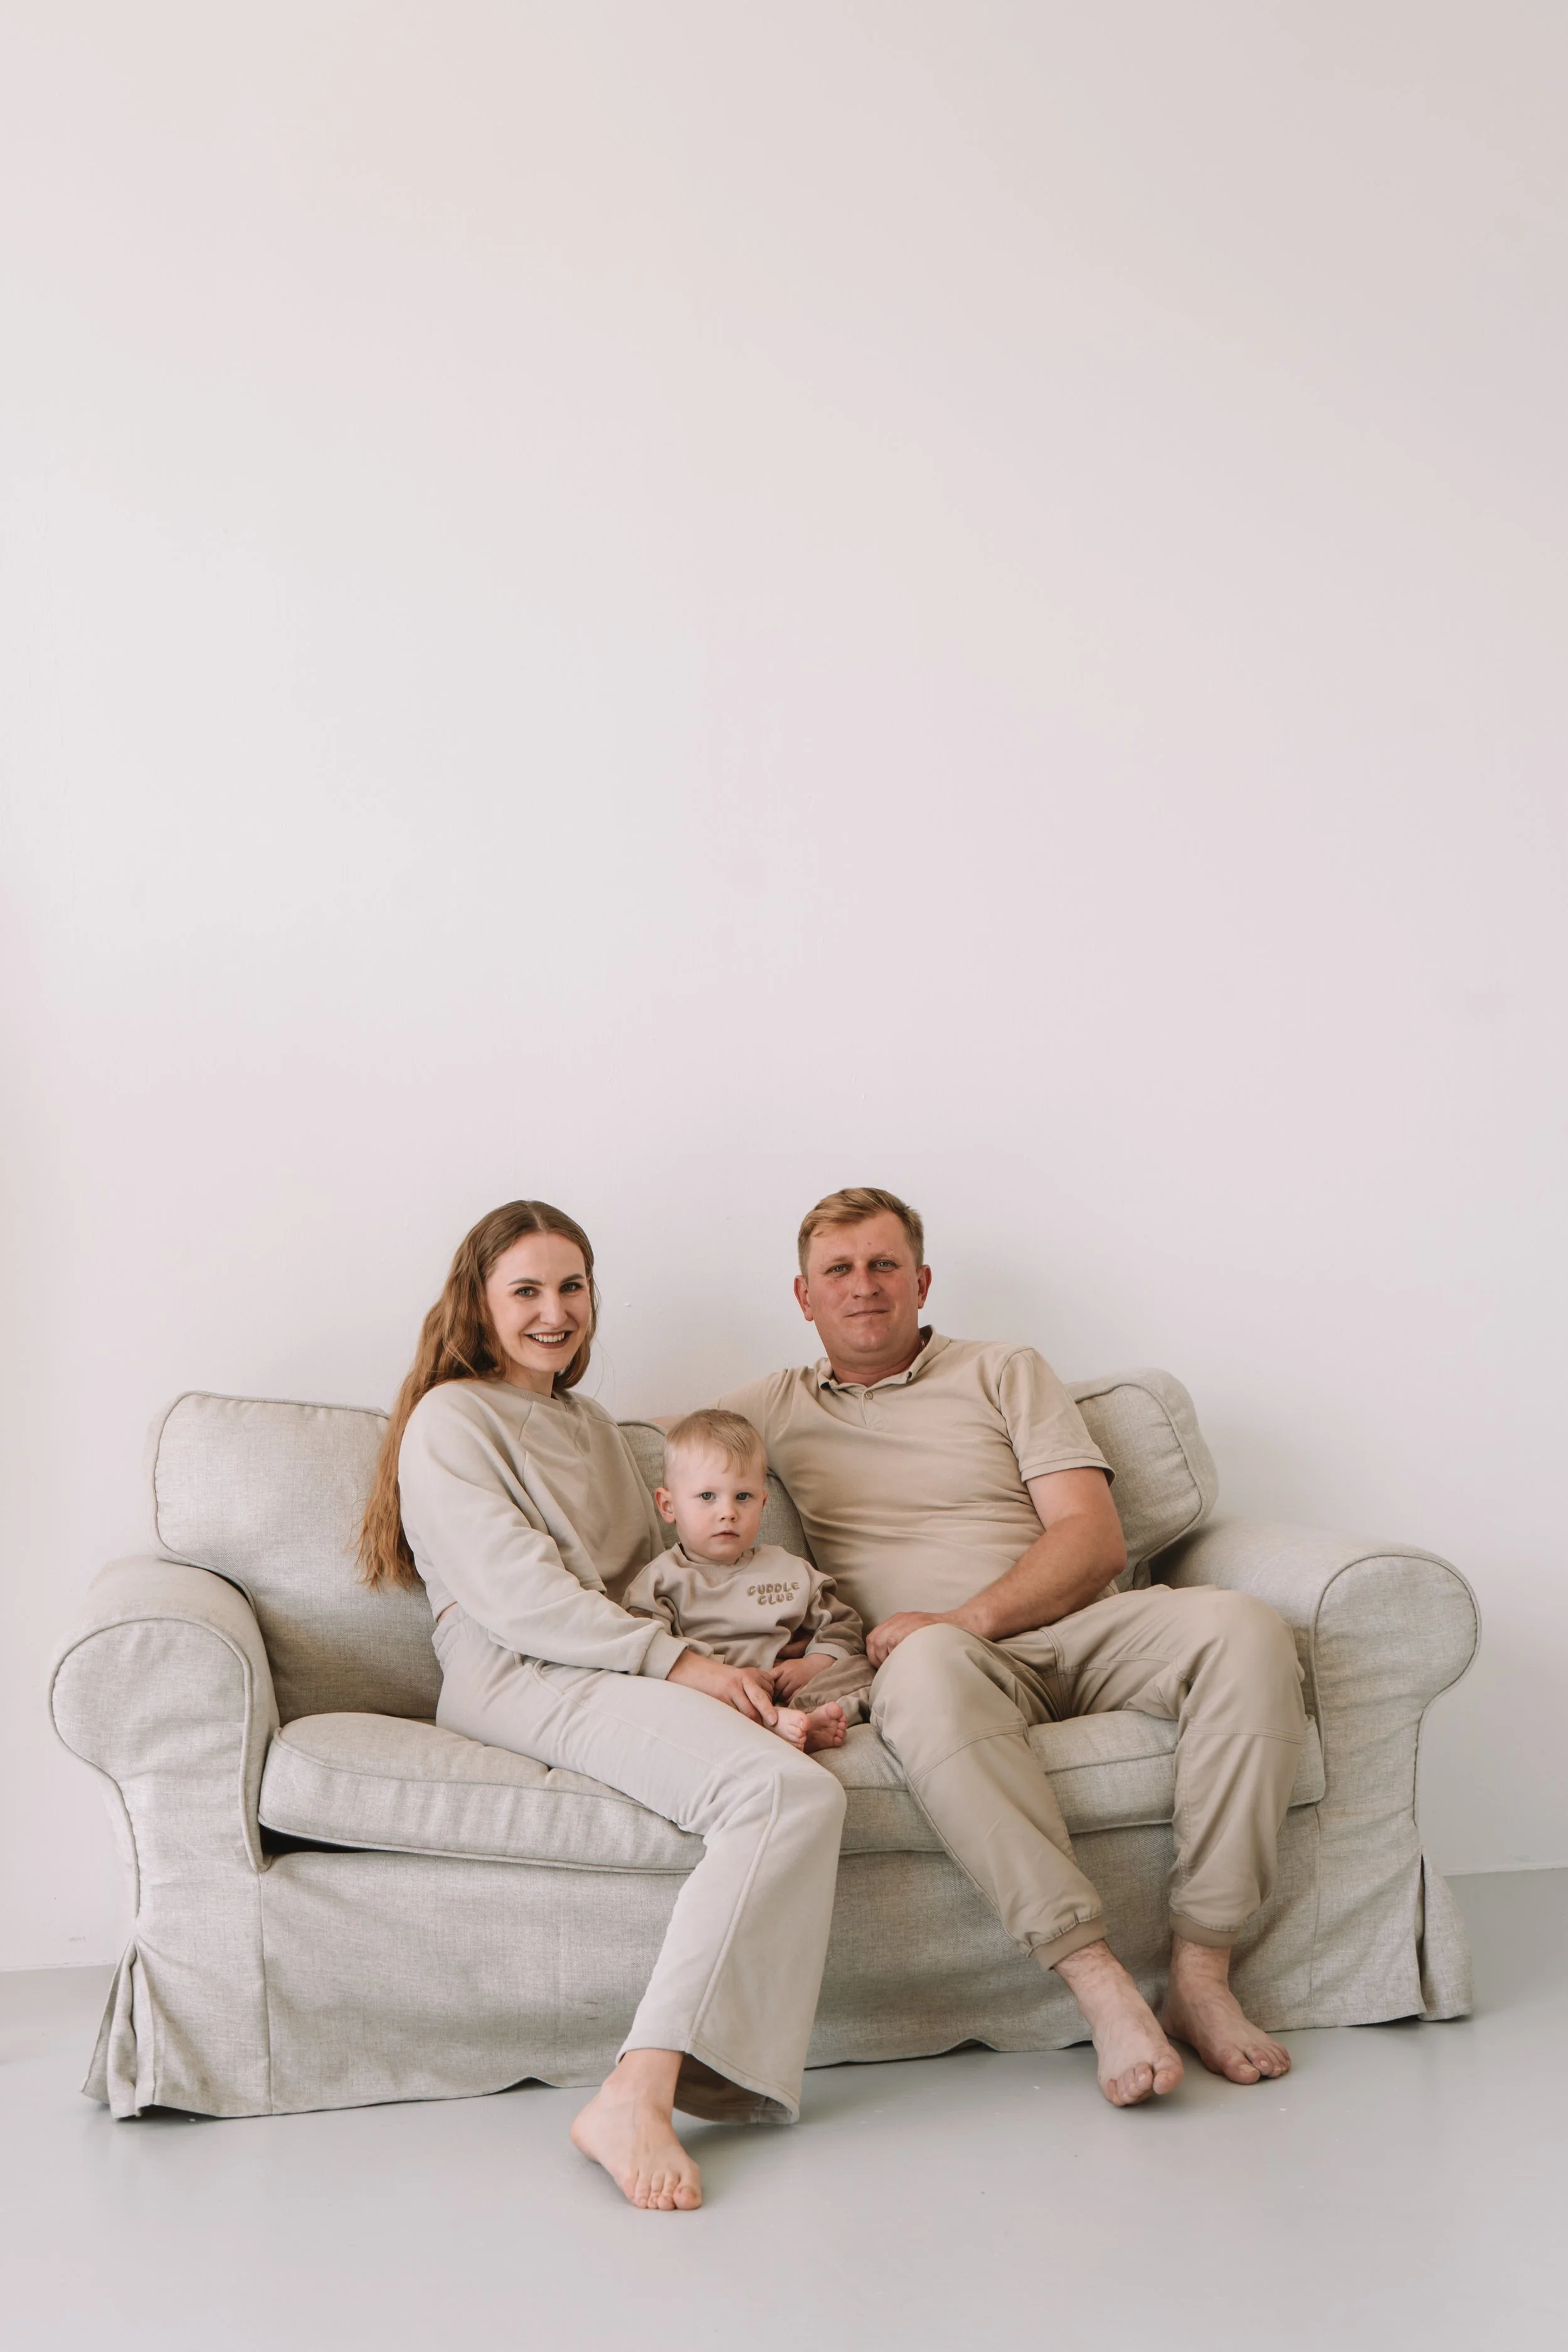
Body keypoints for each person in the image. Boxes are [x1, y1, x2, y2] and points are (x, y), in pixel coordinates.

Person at [718, 1185, 1307, 2111]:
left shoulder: (1003, 1368)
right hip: (942, 1665)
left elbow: (1092, 1537)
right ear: (803, 1296)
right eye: (838, 1270)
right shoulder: (769, 1408)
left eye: (883, 1265)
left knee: (1248, 1628)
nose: (863, 1287)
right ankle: (1100, 1982)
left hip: (1076, 1623)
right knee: (924, 1671)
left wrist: (968, 1615)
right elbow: (649, 1476)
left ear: (921, 1278)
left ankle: (1203, 1972)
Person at [358, 1200, 846, 2213]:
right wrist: (684, 1671)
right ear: (478, 1304)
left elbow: (646, 1581)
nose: (553, 1312)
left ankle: (679, 2077)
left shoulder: (589, 1425)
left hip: (615, 1667)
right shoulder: (452, 1420)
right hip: (517, 1674)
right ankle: (638, 2092)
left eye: (571, 1287)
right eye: (525, 1291)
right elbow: (522, 1599)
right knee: (779, 1796)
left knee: (803, 1785)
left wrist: (747, 1668)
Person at [623, 1407, 874, 1752]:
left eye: (743, 1497)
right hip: (716, 1691)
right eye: (707, 1497)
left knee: (864, 1667)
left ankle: (799, 1719)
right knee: (665, 1695)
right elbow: (650, 1647)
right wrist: (725, 1674)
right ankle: (776, 1726)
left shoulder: (787, 1568)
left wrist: (813, 1663)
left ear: (763, 1503)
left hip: (787, 1685)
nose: (728, 1512)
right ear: (668, 1506)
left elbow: (844, 1624)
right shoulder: (663, 1579)